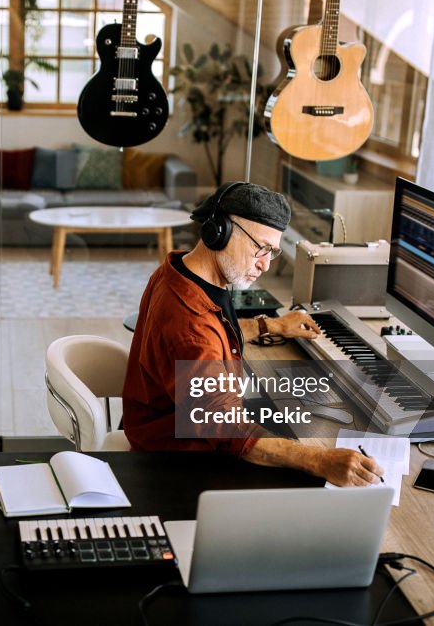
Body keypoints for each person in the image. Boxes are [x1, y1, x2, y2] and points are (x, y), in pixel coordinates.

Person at [122, 181, 383, 487]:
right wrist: (319, 460)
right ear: (219, 231)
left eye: (272, 252)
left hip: (181, 425)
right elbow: (230, 434)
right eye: (260, 248)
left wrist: (267, 325)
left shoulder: (179, 270)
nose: (265, 265)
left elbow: (214, 332)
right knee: (316, 451)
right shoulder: (190, 328)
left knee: (309, 412)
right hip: (180, 458)